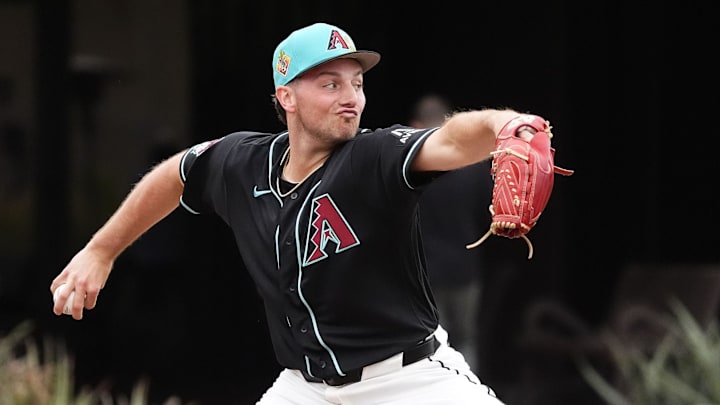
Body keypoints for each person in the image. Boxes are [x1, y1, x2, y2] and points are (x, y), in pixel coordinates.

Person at [51, 22, 549, 404]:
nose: (352, 97)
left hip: (408, 379)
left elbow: (448, 139)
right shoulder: (242, 163)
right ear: (285, 96)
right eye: (330, 84)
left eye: (356, 83)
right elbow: (176, 173)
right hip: (307, 389)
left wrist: (508, 124)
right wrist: (102, 250)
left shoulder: (373, 156)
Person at [409, 93, 492, 372]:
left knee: (430, 344)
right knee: (467, 340)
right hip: (466, 268)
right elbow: (490, 214)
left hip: (425, 271)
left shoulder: (410, 169)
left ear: (417, 125)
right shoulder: (474, 165)